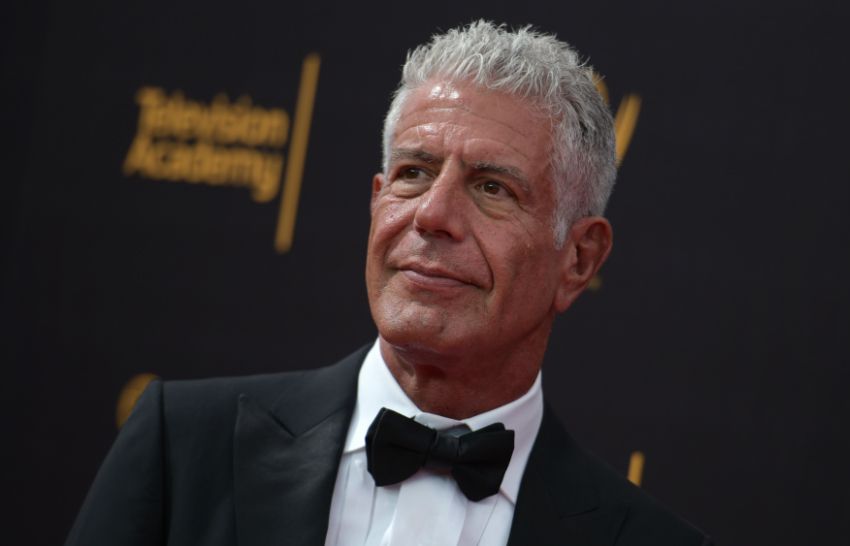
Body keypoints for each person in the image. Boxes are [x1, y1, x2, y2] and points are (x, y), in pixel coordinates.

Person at [66, 21, 710, 546]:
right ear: (378, 200)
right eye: (413, 173)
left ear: (579, 259)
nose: (432, 215)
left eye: (492, 188)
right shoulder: (181, 450)